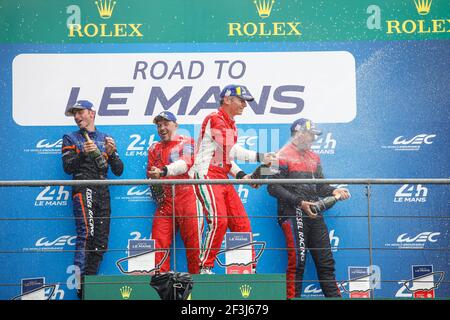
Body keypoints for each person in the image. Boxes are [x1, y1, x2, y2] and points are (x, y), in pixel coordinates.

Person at [189, 84, 275, 274]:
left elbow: (225, 158)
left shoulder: (231, 124)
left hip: (221, 177)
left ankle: (245, 268)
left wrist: (245, 176)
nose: (245, 105)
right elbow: (231, 149)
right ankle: (205, 267)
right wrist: (260, 156)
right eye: (242, 100)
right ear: (227, 100)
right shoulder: (215, 118)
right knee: (219, 221)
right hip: (206, 175)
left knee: (241, 223)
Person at [267, 118, 350, 299]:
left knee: (326, 263)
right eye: (311, 134)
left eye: (314, 135)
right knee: (298, 262)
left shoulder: (314, 157)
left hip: (314, 213)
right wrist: (299, 203)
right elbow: (272, 187)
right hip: (292, 213)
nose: (313, 138)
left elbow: (320, 187)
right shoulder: (279, 155)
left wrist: (334, 189)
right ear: (298, 134)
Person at [61, 100, 124, 299]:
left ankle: (90, 285)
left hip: (103, 189)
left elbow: (119, 170)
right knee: (86, 235)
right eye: (74, 115)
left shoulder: (106, 138)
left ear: (91, 113)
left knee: (101, 242)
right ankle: (81, 286)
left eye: (80, 113)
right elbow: (68, 167)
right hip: (83, 186)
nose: (77, 117)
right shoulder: (70, 138)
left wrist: (112, 154)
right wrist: (82, 154)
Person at [147, 111, 201, 274]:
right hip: (165, 202)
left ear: (175, 125)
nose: (162, 128)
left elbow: (185, 164)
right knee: (158, 244)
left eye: (165, 124)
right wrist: (154, 186)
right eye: (159, 125)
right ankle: (162, 285)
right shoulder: (154, 148)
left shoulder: (186, 142)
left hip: (187, 198)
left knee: (195, 246)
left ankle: (197, 286)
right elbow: (149, 174)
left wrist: (163, 171)